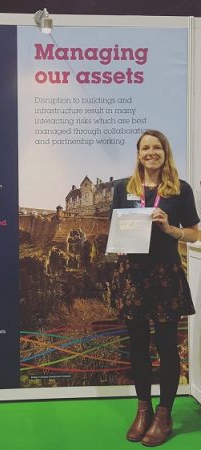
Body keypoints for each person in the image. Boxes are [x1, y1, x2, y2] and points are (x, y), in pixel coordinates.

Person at [110, 130, 199, 446]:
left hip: (164, 275)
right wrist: (119, 240)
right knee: (136, 346)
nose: (151, 152)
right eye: (145, 148)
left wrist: (170, 228)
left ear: (165, 152)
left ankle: (164, 414)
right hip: (132, 275)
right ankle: (143, 409)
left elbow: (194, 234)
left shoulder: (180, 190)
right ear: (138, 153)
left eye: (156, 147)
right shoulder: (124, 188)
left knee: (165, 346)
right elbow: (115, 226)